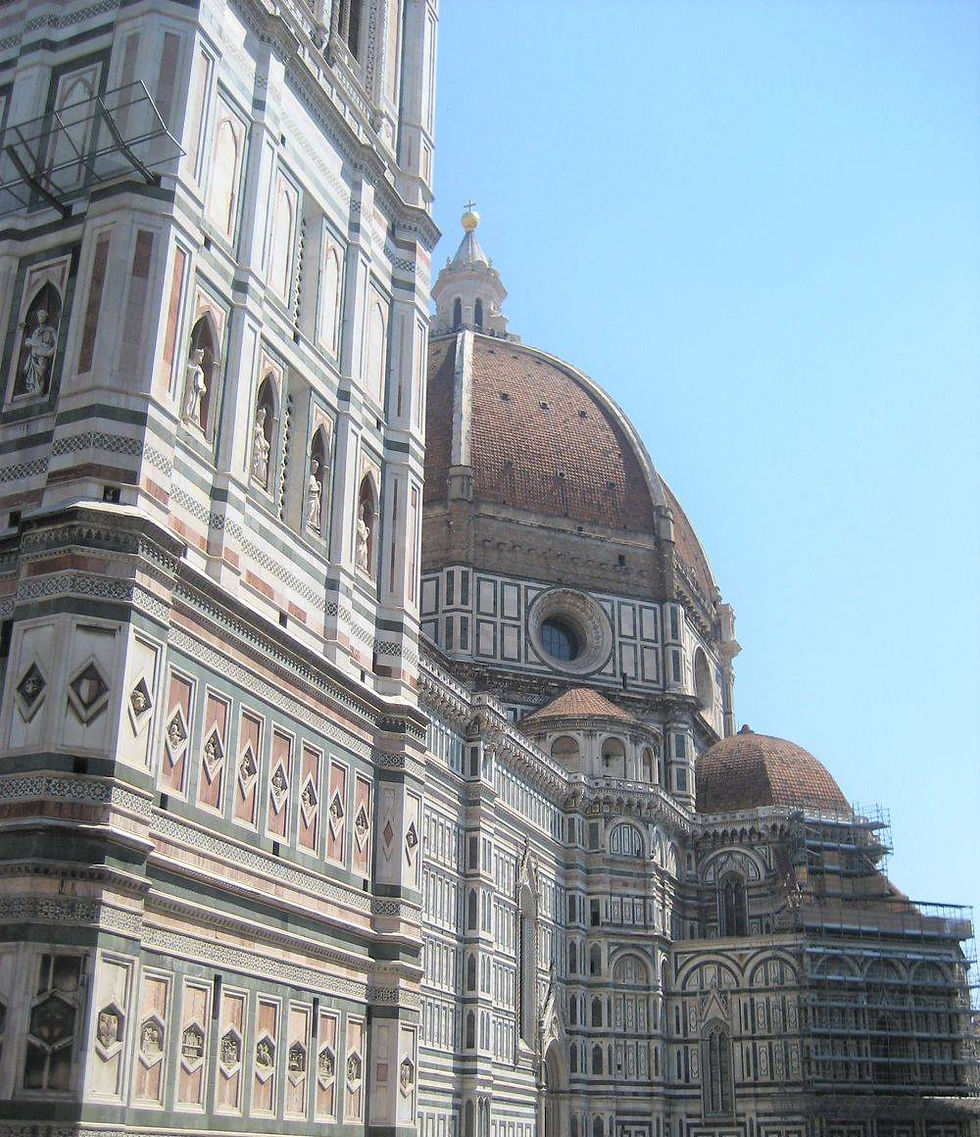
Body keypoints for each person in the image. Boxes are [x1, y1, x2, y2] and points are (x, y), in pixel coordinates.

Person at [21, 308, 56, 395]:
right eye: (39, 317)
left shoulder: (50, 330)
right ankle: (36, 388)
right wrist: (29, 342)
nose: (40, 318)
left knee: (41, 372)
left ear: (45, 318)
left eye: (42, 316)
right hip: (35, 354)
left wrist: (51, 351)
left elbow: (57, 341)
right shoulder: (36, 332)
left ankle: (41, 388)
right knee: (35, 373)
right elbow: (32, 342)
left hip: (44, 354)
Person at [182, 347, 207, 426]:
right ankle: (186, 416)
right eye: (200, 356)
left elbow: (202, 385)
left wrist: (203, 388)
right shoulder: (189, 363)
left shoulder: (200, 369)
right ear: (196, 355)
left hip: (196, 392)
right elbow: (188, 370)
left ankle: (192, 419)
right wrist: (193, 371)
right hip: (189, 388)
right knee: (189, 400)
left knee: (194, 404)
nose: (201, 359)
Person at [251, 407, 270, 485]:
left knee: (262, 462)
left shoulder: (261, 428)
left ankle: (259, 477)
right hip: (257, 445)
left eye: (263, 418)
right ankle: (254, 472)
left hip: (261, 448)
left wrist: (266, 444)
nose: (262, 420)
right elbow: (255, 432)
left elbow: (263, 438)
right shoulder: (256, 424)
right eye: (261, 417)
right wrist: (258, 431)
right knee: (256, 458)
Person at [307, 459, 322, 531]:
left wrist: (318, 486)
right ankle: (308, 519)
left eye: (316, 468)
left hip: (314, 496)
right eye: (315, 467)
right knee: (310, 507)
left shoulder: (313, 477)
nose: (316, 469)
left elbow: (315, 487)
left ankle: (312, 521)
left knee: (315, 508)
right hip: (310, 496)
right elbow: (309, 486)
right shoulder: (309, 476)